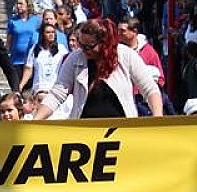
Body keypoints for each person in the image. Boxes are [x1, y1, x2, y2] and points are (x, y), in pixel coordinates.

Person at [33, 19, 163, 120]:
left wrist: (157, 118)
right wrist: (36, 120)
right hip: (85, 132)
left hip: (123, 130)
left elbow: (150, 89)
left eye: (89, 46)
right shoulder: (74, 58)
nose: (84, 50)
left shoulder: (126, 55)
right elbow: (57, 94)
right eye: (81, 45)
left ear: (104, 43)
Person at [20, 23, 69, 93]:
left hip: (54, 89)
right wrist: (21, 85)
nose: (51, 34)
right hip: (38, 88)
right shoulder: (34, 49)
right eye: (48, 32)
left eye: (53, 32)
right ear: (42, 34)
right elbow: (28, 69)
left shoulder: (61, 49)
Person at [6, 0, 40, 70]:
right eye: (17, 4)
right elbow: (9, 40)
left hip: (31, 60)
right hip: (16, 60)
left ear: (28, 5)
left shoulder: (36, 20)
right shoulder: (13, 21)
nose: (18, 6)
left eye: (21, 4)